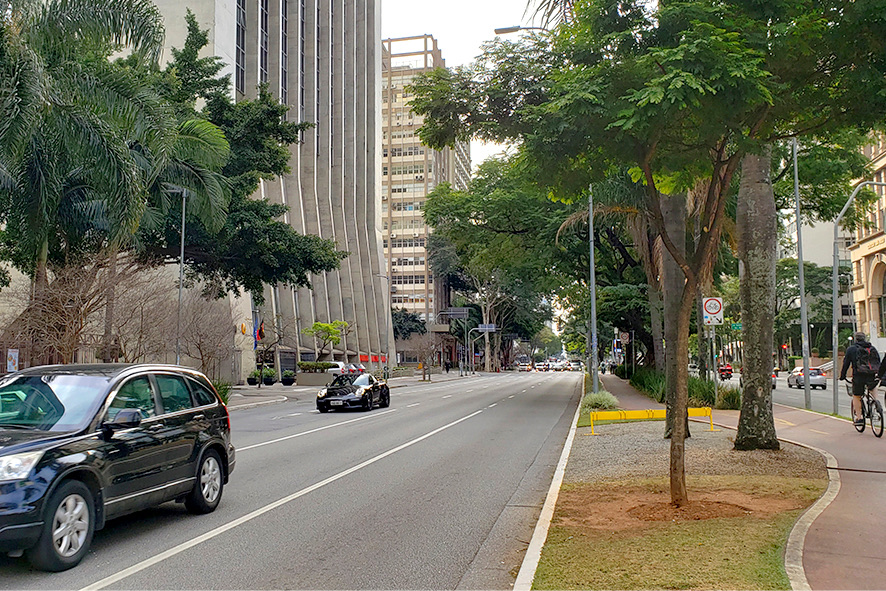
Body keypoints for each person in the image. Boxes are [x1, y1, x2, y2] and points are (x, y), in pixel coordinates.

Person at [840, 331, 881, 426]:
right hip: (871, 374)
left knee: (857, 395)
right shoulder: (872, 348)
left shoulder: (851, 349)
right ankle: (876, 403)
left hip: (858, 375)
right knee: (872, 388)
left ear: (855, 339)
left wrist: (842, 376)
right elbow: (878, 361)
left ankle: (859, 418)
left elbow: (846, 363)